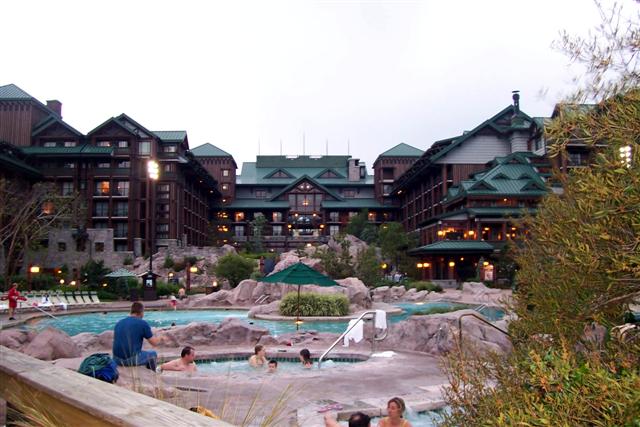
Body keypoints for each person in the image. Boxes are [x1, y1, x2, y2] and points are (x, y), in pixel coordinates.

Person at [112, 302, 161, 371]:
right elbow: (154, 343)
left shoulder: (119, 323)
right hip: (131, 360)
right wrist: (160, 337)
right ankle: (153, 374)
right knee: (153, 354)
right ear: (141, 312)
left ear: (131, 311)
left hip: (116, 359)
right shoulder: (142, 323)